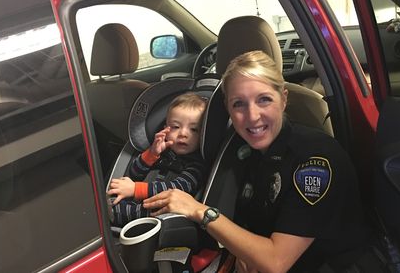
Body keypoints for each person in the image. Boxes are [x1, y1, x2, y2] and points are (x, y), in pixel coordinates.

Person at [142, 51, 373, 272]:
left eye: (264, 100)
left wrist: (200, 211)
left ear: (283, 99)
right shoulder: (242, 149)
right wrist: (244, 251)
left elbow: (275, 262)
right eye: (239, 104)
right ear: (227, 108)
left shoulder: (315, 160)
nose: (252, 117)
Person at [108, 92, 209, 227]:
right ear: (165, 129)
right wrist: (151, 153)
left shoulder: (197, 165)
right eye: (176, 127)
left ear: (203, 134)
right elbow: (134, 173)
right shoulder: (162, 151)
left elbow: (177, 189)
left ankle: (112, 214)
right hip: (142, 199)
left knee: (141, 211)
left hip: (167, 209)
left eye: (194, 129)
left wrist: (135, 189)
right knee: (113, 195)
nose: (183, 134)